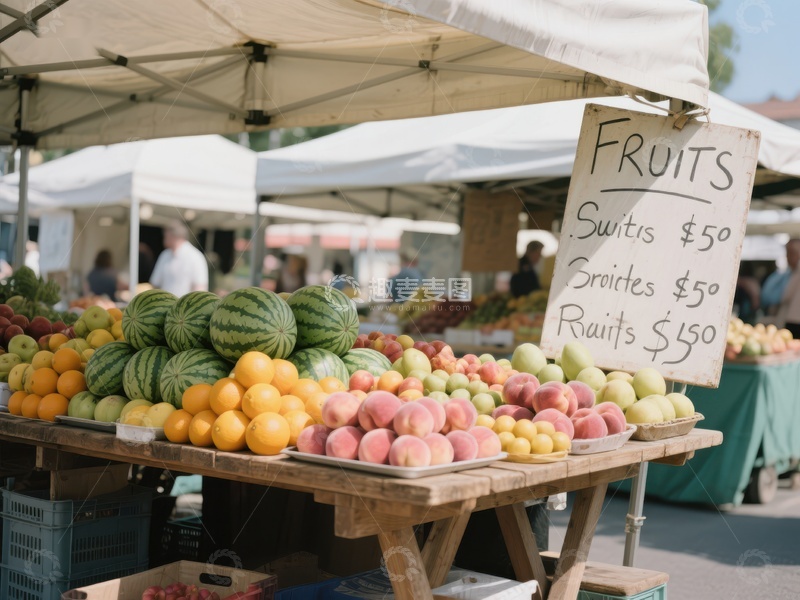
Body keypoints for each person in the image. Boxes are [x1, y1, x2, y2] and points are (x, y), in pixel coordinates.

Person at [149, 221, 208, 297]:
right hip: (164, 303)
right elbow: (155, 284)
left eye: (165, 236)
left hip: (185, 304)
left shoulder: (195, 257)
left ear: (173, 236)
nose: (163, 239)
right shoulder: (164, 255)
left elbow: (199, 288)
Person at [761, 239, 800, 316]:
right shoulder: (780, 276)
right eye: (788, 252)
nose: (788, 256)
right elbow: (766, 297)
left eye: (793, 253)